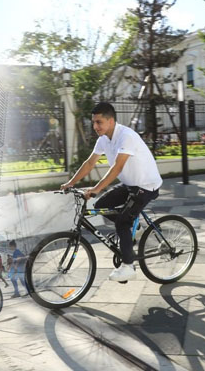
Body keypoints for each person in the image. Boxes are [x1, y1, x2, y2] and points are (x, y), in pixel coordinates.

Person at [60, 102, 163, 282]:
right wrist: (71, 182)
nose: (95, 126)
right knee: (101, 205)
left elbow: (117, 167)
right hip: (129, 184)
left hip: (145, 186)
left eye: (99, 122)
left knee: (122, 223)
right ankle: (135, 226)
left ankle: (128, 266)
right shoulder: (103, 140)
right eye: (93, 122)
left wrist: (96, 189)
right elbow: (90, 163)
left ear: (111, 121)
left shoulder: (126, 136)